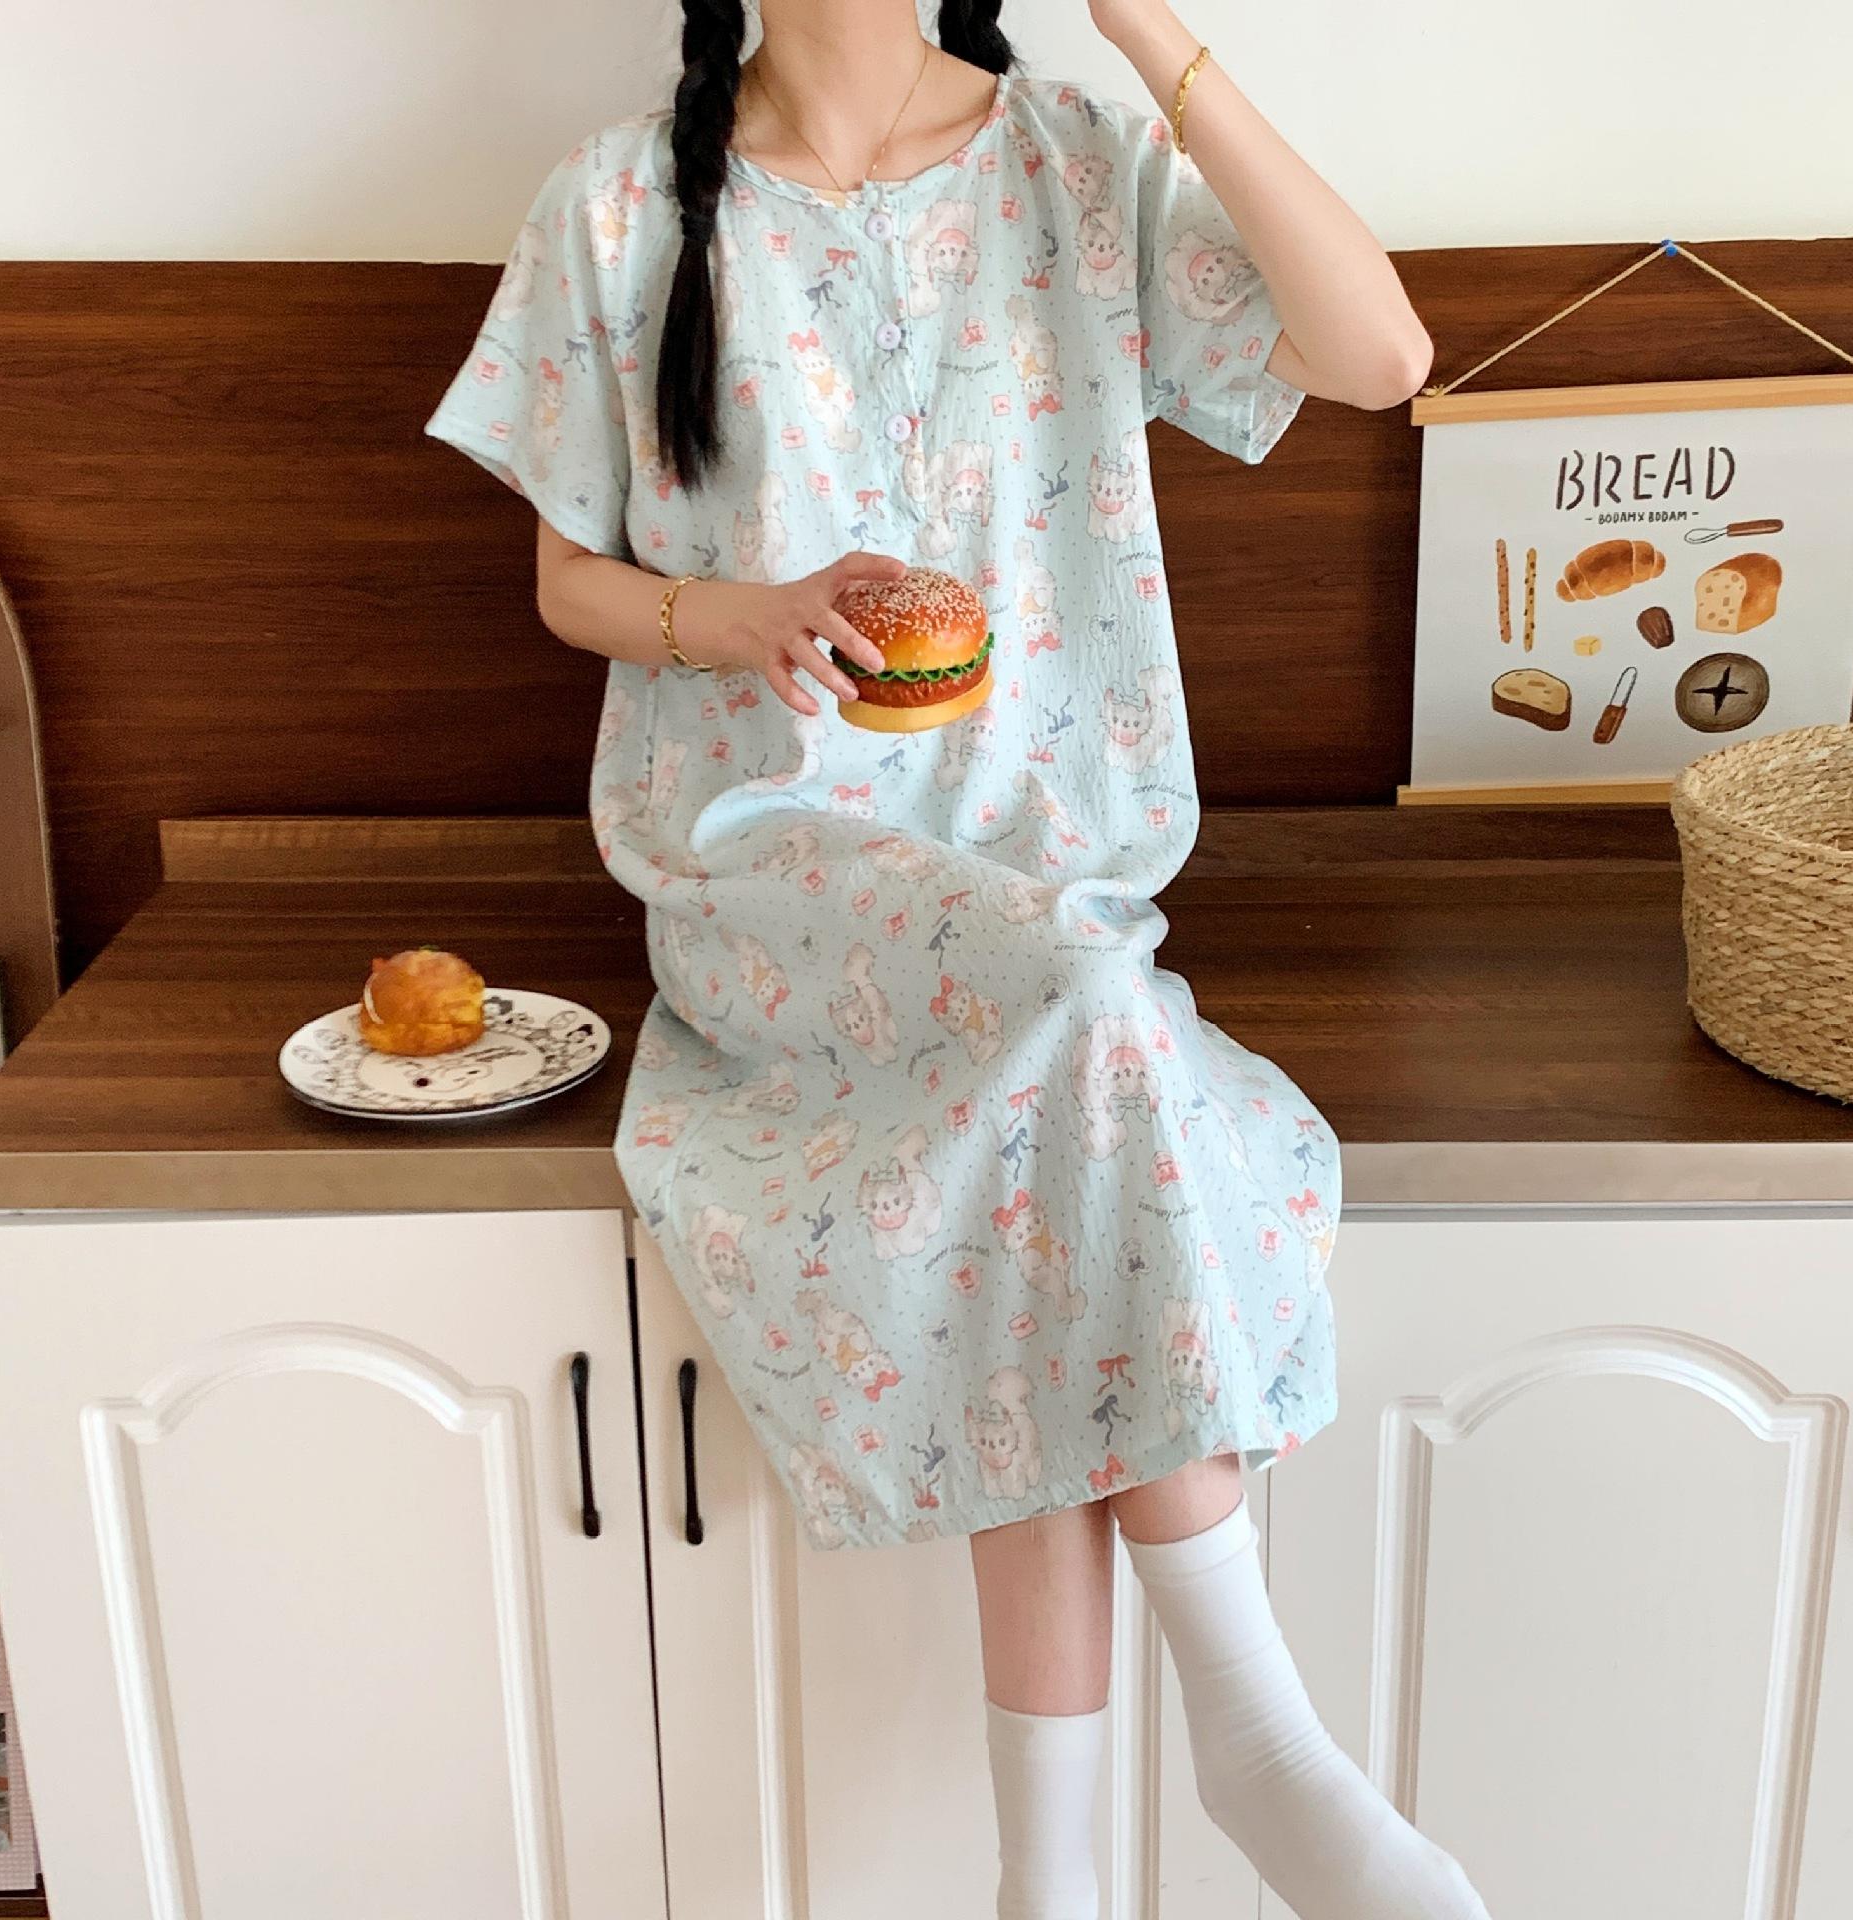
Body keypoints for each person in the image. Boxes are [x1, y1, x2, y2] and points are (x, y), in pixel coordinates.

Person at [425, 2, 1490, 1914]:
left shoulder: (1074, 161)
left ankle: (1046, 1884)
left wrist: (1146, 30)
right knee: (1081, 1028)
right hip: (770, 865)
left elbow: (1383, 356)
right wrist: (740, 613)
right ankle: (1258, 1740)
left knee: (1048, 1154)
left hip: (1057, 867)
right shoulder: (618, 204)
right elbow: (564, 578)